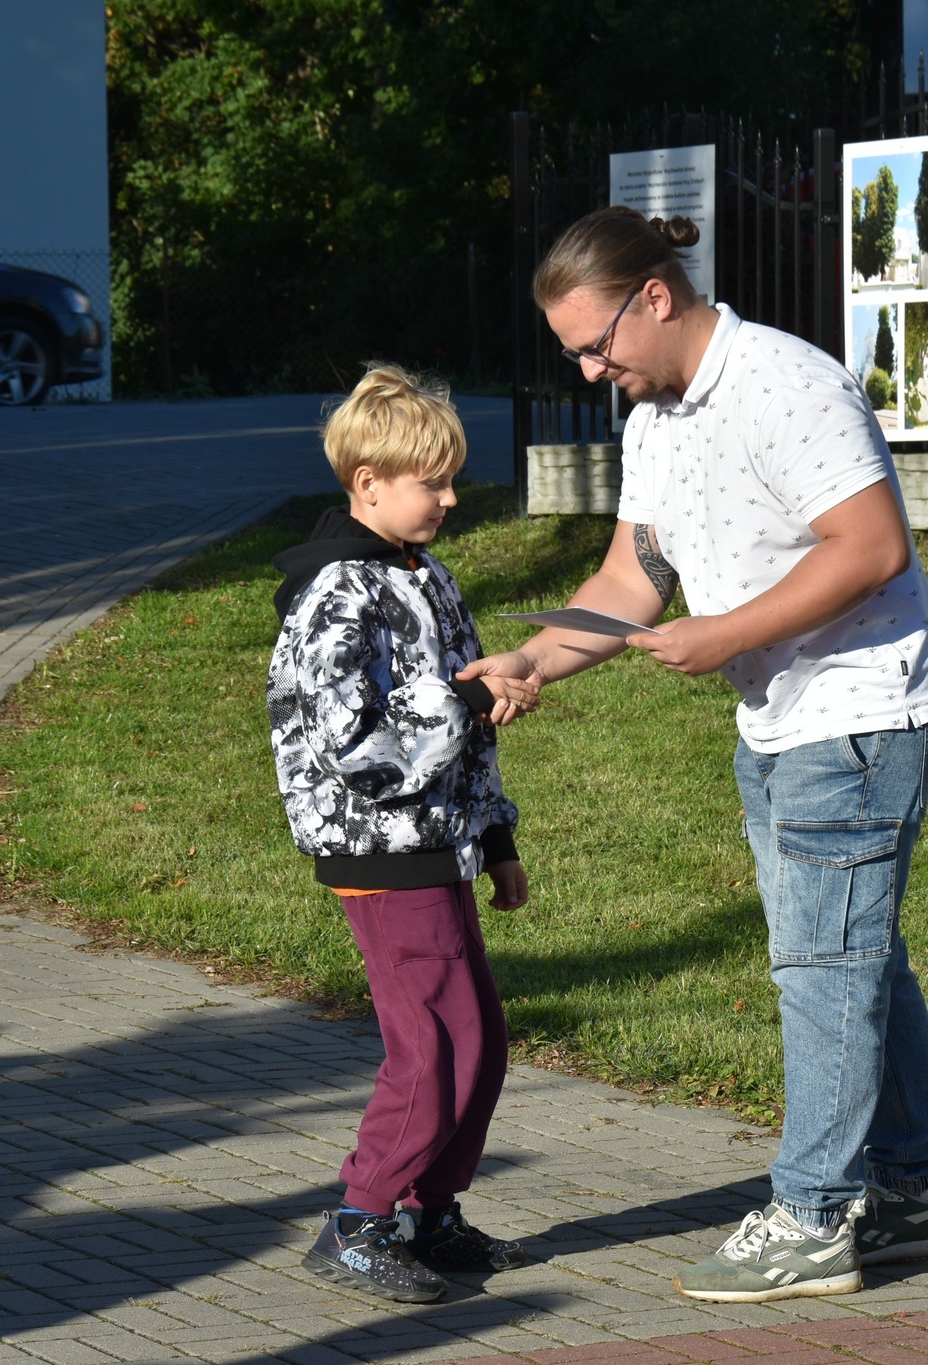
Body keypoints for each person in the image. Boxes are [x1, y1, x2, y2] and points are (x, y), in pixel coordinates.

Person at [461, 207, 928, 1303]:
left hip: (860, 712)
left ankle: (813, 1215)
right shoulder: (655, 417)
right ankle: (917, 1193)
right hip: (781, 720)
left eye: (596, 344)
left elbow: (872, 545)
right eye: (573, 356)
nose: (594, 370)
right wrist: (533, 657)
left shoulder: (786, 384)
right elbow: (629, 578)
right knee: (853, 956)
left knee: (823, 969)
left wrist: (728, 632)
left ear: (654, 295)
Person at [267, 363, 539, 1303]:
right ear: (367, 484)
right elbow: (352, 743)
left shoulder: (423, 574)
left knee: (482, 1036)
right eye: (434, 482)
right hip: (378, 845)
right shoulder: (340, 591)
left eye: (453, 478)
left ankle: (430, 1209)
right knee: (429, 1044)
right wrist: (460, 703)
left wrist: (496, 834)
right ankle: (362, 1216)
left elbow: (464, 719)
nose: (452, 498)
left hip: (438, 839)